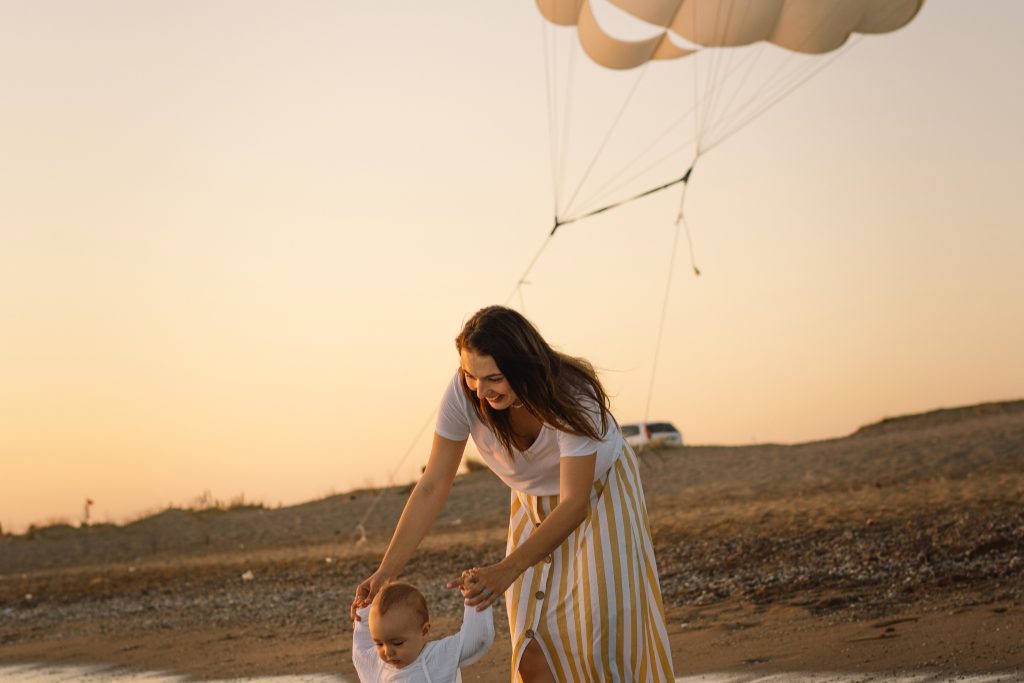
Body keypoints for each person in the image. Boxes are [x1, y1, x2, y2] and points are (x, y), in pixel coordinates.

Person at [351, 305, 674, 682]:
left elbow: (574, 505)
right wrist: (386, 571)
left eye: (494, 378)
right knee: (532, 646)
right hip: (531, 504)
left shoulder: (571, 396)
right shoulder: (463, 393)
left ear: (524, 367)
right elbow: (433, 485)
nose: (481, 390)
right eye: (471, 375)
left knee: (601, 644)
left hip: (598, 499)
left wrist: (507, 569)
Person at [352, 581, 494, 682]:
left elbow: (475, 640)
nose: (388, 652)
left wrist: (475, 595)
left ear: (424, 630)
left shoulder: (437, 658)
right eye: (379, 643)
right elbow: (361, 650)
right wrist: (364, 610)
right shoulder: (378, 666)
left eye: (398, 643)